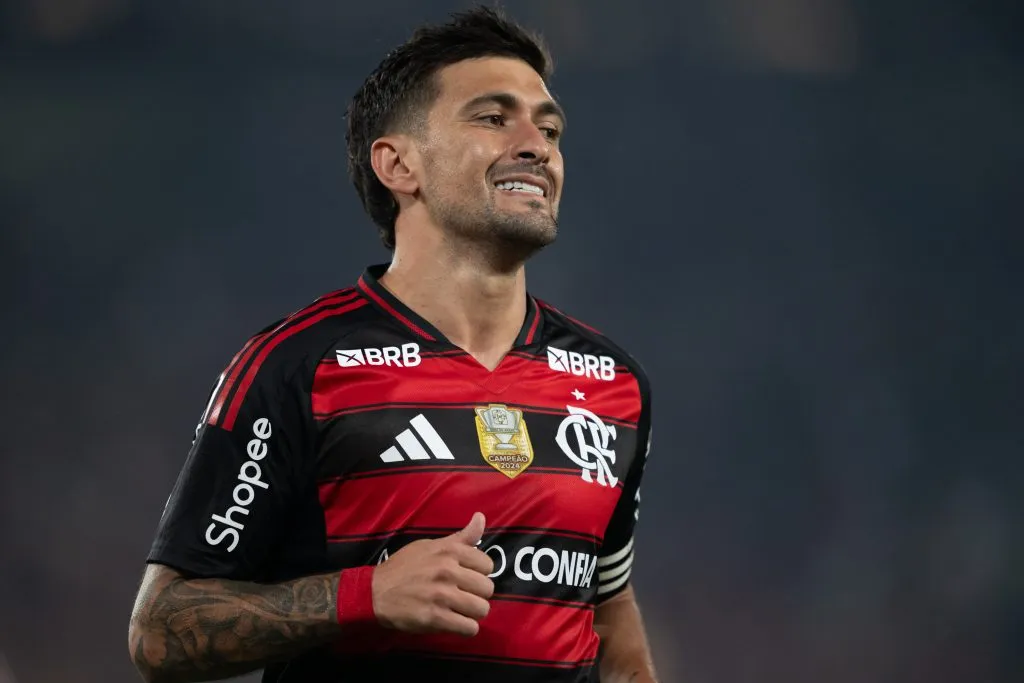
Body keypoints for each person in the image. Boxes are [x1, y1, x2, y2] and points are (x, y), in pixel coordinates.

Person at [128, 7, 657, 683]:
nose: (537, 144)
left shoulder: (615, 384)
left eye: (549, 128)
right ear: (398, 163)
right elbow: (161, 630)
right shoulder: (300, 365)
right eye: (494, 118)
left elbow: (609, 612)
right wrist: (366, 595)